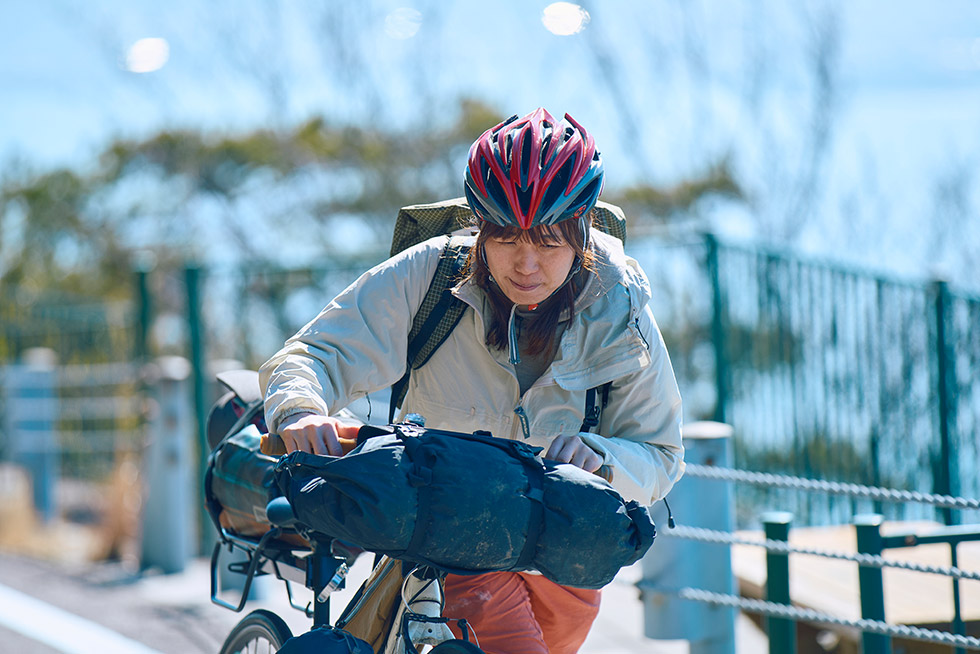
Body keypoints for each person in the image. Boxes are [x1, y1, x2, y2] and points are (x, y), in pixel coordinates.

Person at [259, 107, 684, 654]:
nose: (526, 263)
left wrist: (603, 459)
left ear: (582, 233)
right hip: (444, 541)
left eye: (549, 241)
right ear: (479, 225)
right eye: (506, 237)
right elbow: (314, 353)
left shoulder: (620, 310)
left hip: (561, 560)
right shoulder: (430, 276)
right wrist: (299, 410)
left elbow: (661, 453)